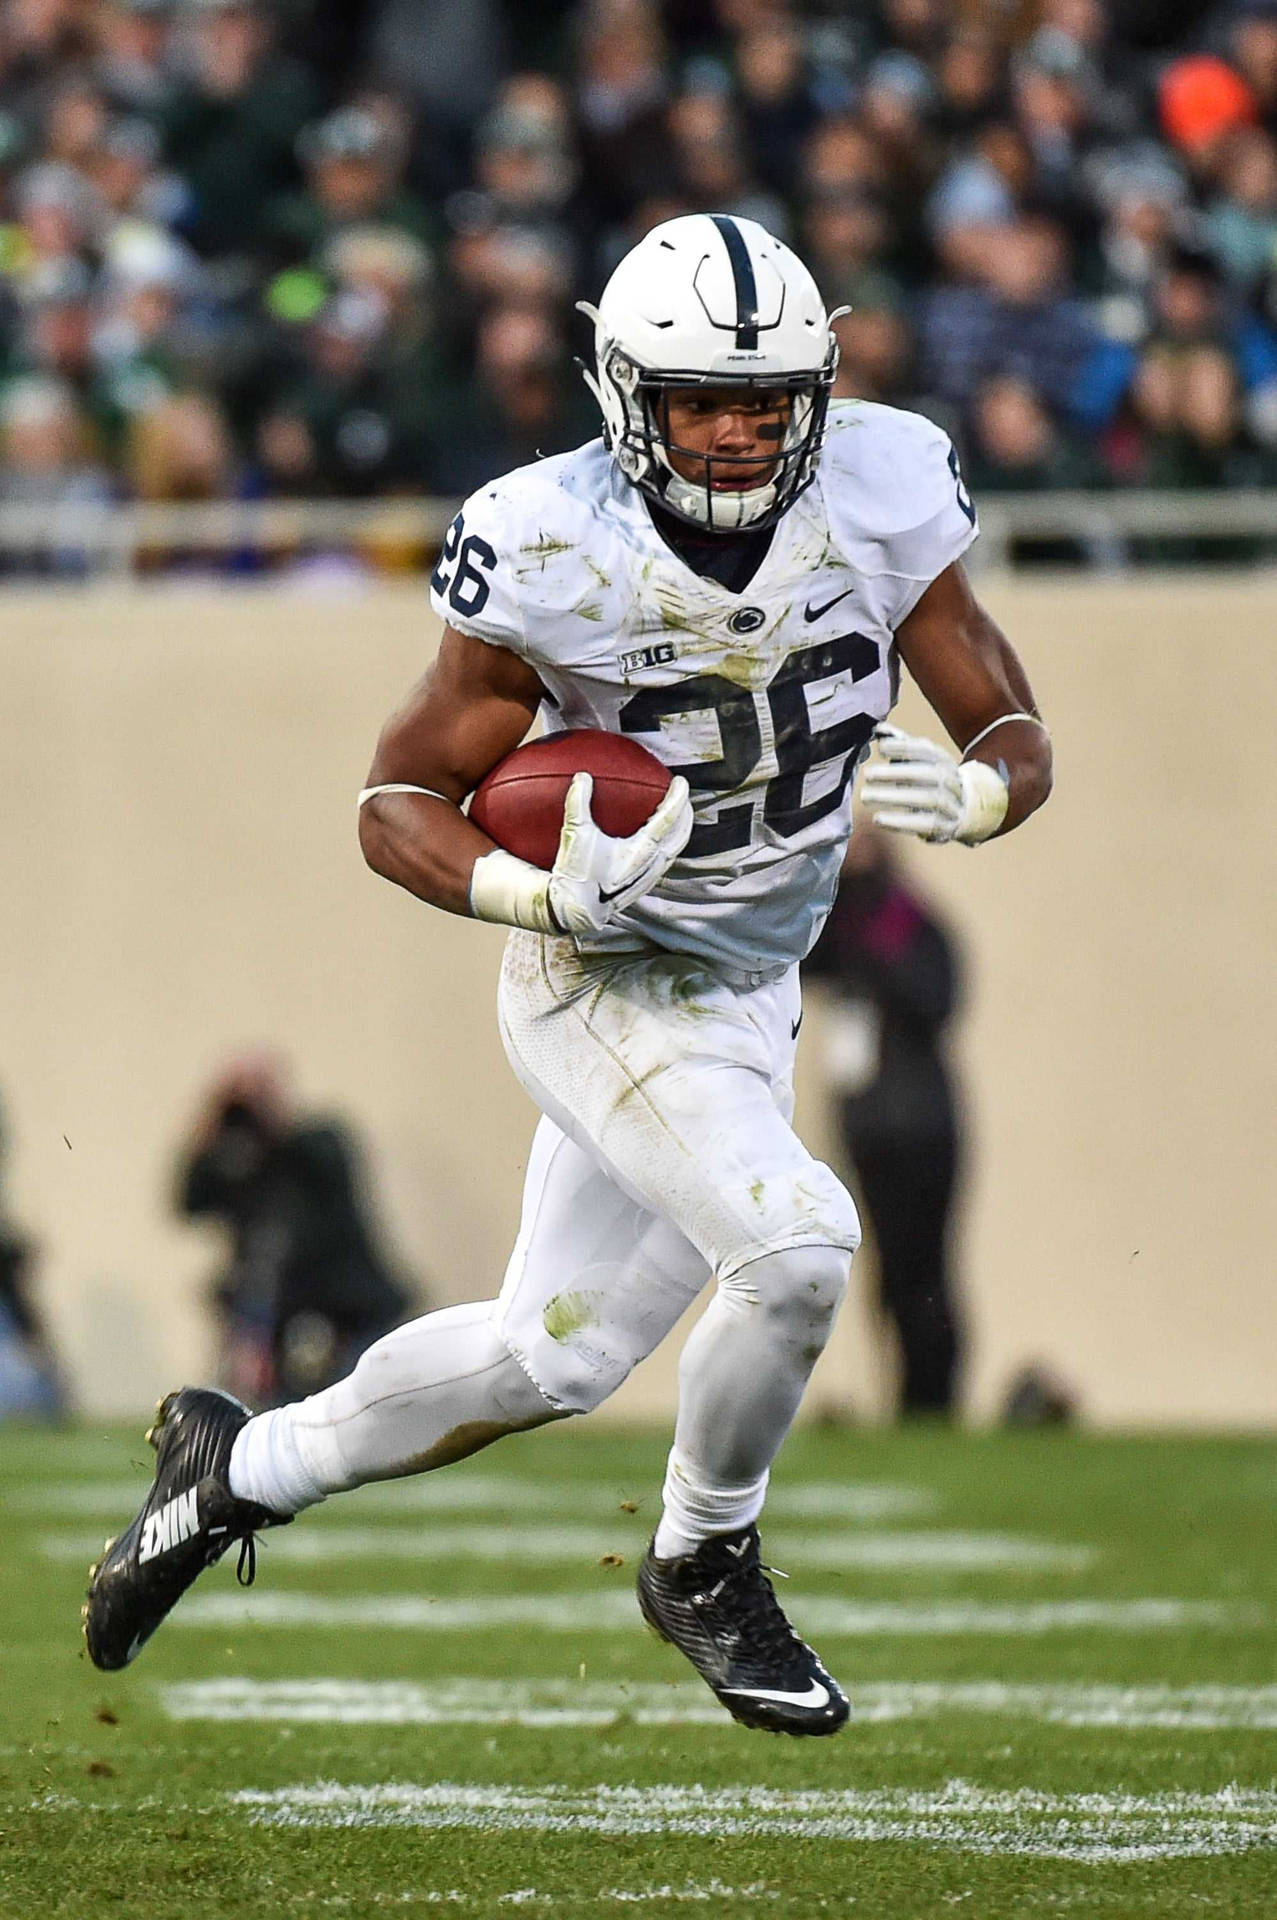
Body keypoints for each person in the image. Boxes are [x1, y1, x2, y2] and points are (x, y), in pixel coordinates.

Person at [83, 212, 1052, 1736]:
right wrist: (527, 885)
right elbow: (391, 800)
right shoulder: (549, 538)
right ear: (620, 390)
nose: (739, 435)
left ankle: (228, 1471)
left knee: (554, 1356)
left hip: (747, 986)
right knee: (798, 1250)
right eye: (699, 402)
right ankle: (703, 1558)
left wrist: (998, 783)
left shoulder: (882, 481)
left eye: (769, 401)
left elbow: (999, 706)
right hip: (600, 971)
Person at [803, 822, 964, 1417]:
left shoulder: (913, 927)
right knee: (890, 1271)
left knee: (926, 1268)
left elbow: (940, 1002)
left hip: (922, 1126)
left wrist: (876, 964)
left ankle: (933, 1400)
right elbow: (796, 963)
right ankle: (905, 1400)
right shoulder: (840, 930)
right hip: (869, 1127)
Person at [174, 1051, 413, 1406]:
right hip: (279, 1313)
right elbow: (189, 1203)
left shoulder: (321, 1140)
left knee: (367, 1405)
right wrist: (210, 1122)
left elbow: (321, 1165)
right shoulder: (237, 1160)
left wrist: (271, 1114)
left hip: (349, 1306)